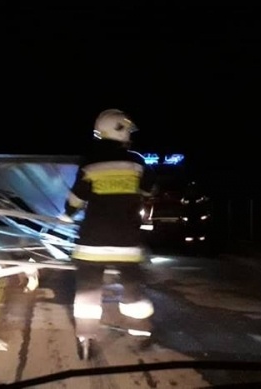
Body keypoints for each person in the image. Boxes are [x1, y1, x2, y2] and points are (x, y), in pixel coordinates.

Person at [59, 108, 156, 359]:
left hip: (92, 242)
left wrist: (67, 214)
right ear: (120, 131)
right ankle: (140, 333)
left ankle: (85, 338)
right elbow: (147, 191)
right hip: (127, 242)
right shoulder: (137, 163)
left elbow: (77, 198)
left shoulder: (90, 163)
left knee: (88, 291)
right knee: (132, 288)